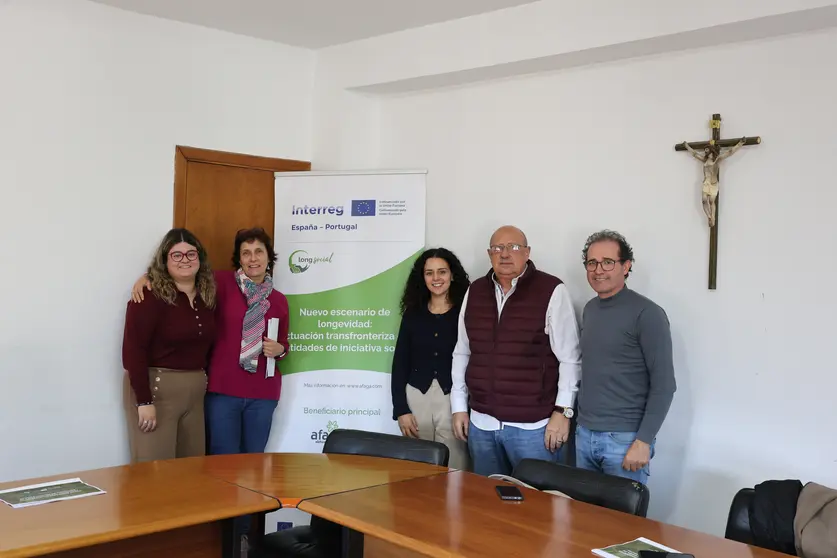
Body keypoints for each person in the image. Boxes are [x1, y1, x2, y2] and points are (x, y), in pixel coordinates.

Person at [132, 227, 290, 456]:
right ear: (239, 259)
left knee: (254, 461)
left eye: (259, 252)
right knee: (221, 461)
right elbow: (182, 272)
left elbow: (284, 343)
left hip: (263, 393)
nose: (253, 258)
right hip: (223, 390)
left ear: (269, 258)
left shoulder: (279, 300)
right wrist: (147, 278)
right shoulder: (221, 283)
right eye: (246, 253)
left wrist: (280, 350)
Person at [450, 226, 582, 476]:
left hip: (534, 429)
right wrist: (458, 406)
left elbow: (570, 358)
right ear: (489, 254)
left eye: (513, 247)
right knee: (487, 497)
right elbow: (462, 352)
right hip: (481, 425)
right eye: (498, 248)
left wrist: (563, 412)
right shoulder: (475, 291)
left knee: (538, 499)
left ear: (527, 252)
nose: (505, 254)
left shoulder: (552, 290)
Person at [575, 229, 676, 484]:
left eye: (608, 262)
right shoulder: (590, 309)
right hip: (584, 434)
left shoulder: (647, 314)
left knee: (624, 512)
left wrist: (643, 441)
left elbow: (664, 385)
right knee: (582, 511)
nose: (598, 270)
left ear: (626, 266)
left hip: (624, 441)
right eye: (592, 263)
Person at [122, 228, 217, 463]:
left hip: (195, 395)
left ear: (200, 258)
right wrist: (144, 401)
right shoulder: (149, 296)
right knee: (155, 469)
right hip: (157, 390)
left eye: (191, 254)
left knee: (191, 468)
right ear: (164, 260)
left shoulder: (207, 295)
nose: (185, 260)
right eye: (176, 255)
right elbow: (134, 350)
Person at [391, 248, 470, 470]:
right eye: (429, 273)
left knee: (455, 468)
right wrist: (401, 409)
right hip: (417, 398)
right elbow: (400, 363)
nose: (436, 278)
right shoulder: (413, 313)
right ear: (422, 277)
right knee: (417, 468)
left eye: (442, 271)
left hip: (454, 399)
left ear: (452, 275)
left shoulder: (466, 312)